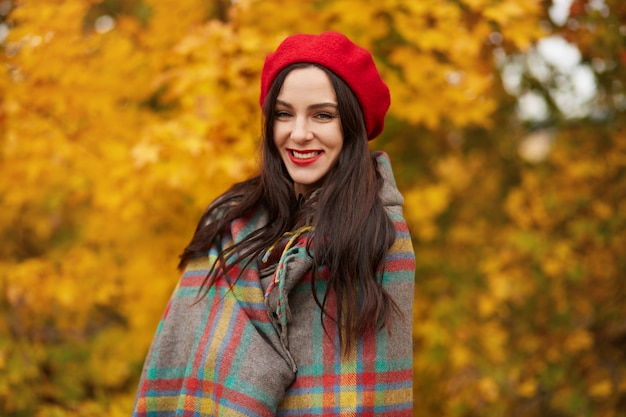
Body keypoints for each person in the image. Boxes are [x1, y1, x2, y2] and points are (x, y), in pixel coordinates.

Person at [132, 31, 415, 417]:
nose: (298, 133)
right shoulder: (230, 223)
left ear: (352, 126)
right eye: (284, 114)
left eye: (322, 115)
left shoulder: (378, 236)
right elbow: (183, 362)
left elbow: (365, 395)